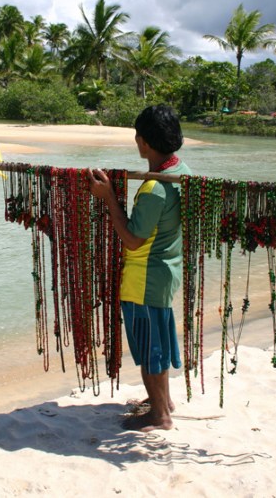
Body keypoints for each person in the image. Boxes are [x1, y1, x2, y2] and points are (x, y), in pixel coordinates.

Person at [88, 105, 190, 432]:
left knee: (149, 347)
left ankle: (159, 415)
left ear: (143, 142)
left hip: (144, 278)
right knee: (157, 338)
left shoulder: (154, 188)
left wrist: (108, 198)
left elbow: (132, 239)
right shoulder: (180, 171)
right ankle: (163, 401)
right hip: (165, 272)